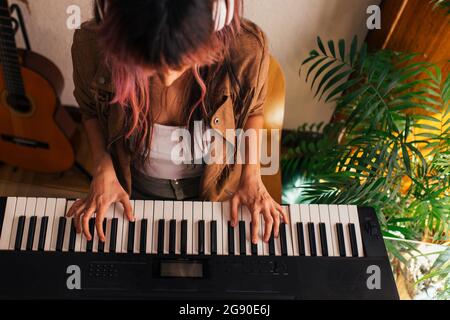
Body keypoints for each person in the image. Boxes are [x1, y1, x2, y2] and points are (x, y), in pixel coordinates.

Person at [68, 0, 287, 246]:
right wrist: (102, 168)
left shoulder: (248, 50)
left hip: (217, 195)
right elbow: (90, 111)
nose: (167, 77)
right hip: (131, 191)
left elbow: (253, 110)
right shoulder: (91, 45)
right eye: (150, 64)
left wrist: (252, 175)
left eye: (180, 63)